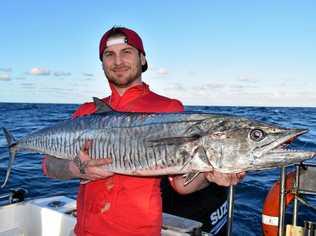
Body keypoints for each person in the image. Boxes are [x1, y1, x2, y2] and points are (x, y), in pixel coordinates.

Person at [42, 26, 244, 236]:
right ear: (102, 64)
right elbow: (48, 166)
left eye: (126, 52)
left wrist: (209, 175)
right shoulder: (87, 111)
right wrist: (76, 169)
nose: (118, 61)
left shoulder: (168, 109)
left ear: (143, 59)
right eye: (109, 55)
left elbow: (182, 185)